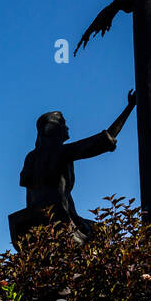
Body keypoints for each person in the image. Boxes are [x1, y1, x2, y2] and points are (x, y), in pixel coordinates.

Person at [17, 90, 136, 244]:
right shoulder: (61, 152)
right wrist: (130, 107)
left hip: (40, 223)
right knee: (106, 235)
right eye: (63, 124)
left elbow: (30, 196)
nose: (67, 128)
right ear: (53, 129)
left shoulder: (31, 158)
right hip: (63, 222)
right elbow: (102, 141)